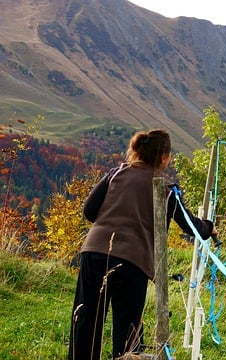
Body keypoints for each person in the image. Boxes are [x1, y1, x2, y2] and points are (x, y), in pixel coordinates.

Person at [69, 129, 217, 359]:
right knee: (127, 331)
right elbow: (191, 226)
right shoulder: (164, 191)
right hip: (132, 262)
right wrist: (209, 227)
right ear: (163, 157)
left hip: (94, 251)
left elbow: (89, 210)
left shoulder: (115, 173)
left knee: (86, 321)